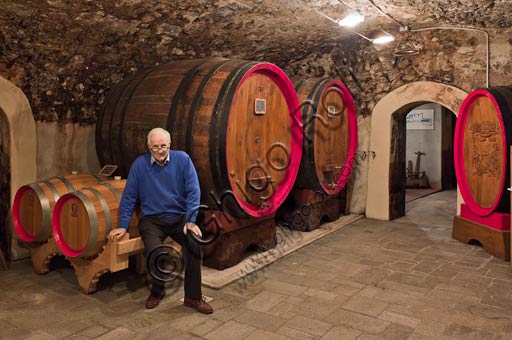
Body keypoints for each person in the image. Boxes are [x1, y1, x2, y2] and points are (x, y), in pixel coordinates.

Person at [108, 127, 213, 314]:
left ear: (170, 145)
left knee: (194, 244)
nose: (160, 150)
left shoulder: (182, 160)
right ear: (149, 147)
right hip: (152, 220)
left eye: (163, 146)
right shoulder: (139, 166)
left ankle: (193, 297)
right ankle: (157, 292)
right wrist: (123, 226)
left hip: (179, 217)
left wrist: (190, 221)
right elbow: (129, 197)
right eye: (155, 147)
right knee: (154, 251)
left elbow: (193, 191)